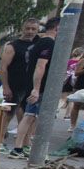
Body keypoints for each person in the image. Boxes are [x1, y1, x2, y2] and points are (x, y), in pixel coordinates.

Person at [10, 17, 60, 158]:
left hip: (37, 86)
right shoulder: (47, 43)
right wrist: (36, 89)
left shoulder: (40, 42)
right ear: (57, 28)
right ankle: (29, 149)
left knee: (29, 116)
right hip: (41, 87)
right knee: (34, 117)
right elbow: (40, 66)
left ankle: (20, 148)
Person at [0, 18, 40, 126]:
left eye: (33, 29)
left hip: (30, 85)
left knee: (28, 114)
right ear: (23, 29)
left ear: (37, 30)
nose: (30, 31)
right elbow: (3, 68)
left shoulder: (39, 44)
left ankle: (22, 140)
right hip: (14, 85)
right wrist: (6, 87)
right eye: (27, 28)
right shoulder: (13, 46)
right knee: (8, 113)